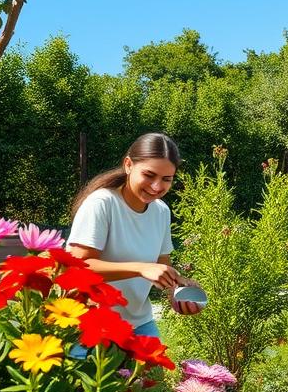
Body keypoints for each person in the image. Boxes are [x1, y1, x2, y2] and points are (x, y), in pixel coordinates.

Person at [67, 133, 202, 340]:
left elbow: (161, 264)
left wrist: (179, 288)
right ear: (128, 165)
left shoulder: (161, 211)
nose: (157, 186)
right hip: (90, 321)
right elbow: (78, 266)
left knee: (155, 373)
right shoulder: (102, 203)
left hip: (139, 322)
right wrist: (140, 268)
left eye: (167, 179)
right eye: (149, 175)